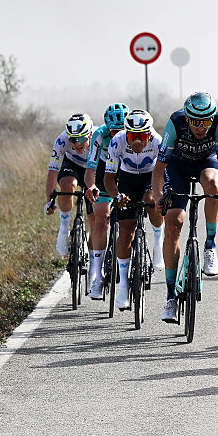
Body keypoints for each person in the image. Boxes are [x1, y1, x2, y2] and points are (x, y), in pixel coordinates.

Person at [151, 92, 218, 324]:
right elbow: (158, 170)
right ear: (187, 118)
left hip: (205, 164)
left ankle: (210, 245)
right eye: (195, 122)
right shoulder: (175, 122)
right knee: (174, 224)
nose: (201, 127)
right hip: (177, 166)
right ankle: (170, 298)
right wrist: (158, 196)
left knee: (212, 185)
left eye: (205, 122)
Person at [102, 109, 163, 310]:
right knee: (126, 231)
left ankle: (158, 240)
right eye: (132, 136)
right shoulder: (117, 141)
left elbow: (165, 173)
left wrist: (160, 195)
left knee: (151, 200)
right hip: (127, 179)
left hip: (150, 177)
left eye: (141, 136)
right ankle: (123, 285)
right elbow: (109, 179)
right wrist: (117, 196)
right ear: (126, 133)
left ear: (149, 134)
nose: (136, 141)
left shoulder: (157, 142)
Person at [83, 102, 131, 300]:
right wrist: (91, 186)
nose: (116, 135)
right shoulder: (99, 135)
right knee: (101, 220)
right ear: (106, 128)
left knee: (130, 220)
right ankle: (97, 276)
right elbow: (91, 168)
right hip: (105, 170)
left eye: (121, 130)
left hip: (127, 169)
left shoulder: (136, 134)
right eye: (113, 131)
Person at [43, 113, 95, 256]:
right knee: (67, 185)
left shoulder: (99, 137)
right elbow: (53, 171)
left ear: (90, 134)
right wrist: (50, 200)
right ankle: (64, 227)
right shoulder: (61, 140)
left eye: (82, 139)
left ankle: (93, 253)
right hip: (72, 164)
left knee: (95, 217)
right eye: (73, 139)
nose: (77, 143)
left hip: (94, 167)